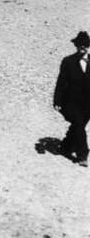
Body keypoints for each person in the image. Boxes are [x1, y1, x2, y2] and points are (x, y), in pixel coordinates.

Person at [53, 31, 90, 167]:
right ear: (76, 46)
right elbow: (61, 82)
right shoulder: (68, 61)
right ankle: (83, 155)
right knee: (79, 126)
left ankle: (65, 146)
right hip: (71, 102)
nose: (82, 48)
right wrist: (57, 101)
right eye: (80, 45)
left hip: (87, 104)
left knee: (77, 126)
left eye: (85, 45)